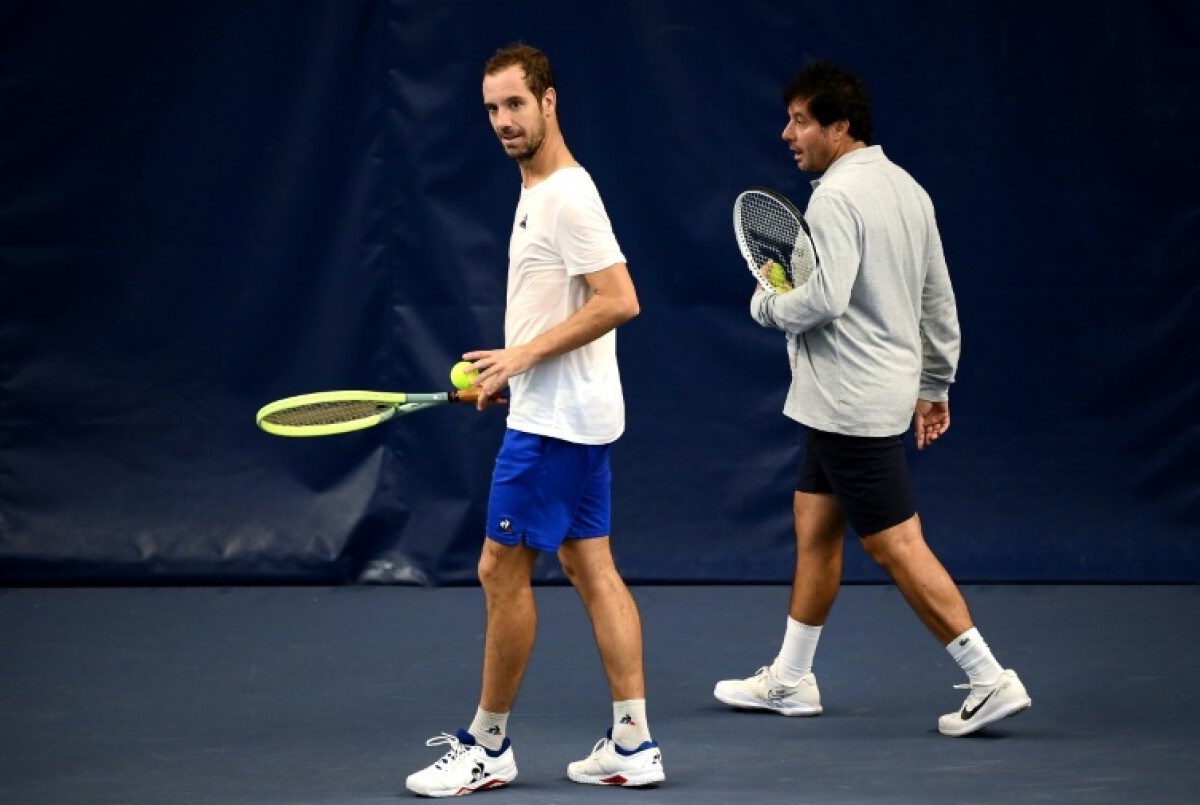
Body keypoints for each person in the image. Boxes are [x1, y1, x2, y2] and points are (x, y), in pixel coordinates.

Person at [714, 60, 1032, 737]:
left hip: (848, 404)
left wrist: (766, 303)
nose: (787, 133)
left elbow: (822, 300)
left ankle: (988, 676)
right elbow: (937, 301)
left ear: (840, 125)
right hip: (859, 396)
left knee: (897, 545)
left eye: (801, 121)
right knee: (815, 522)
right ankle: (793, 678)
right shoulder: (908, 189)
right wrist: (935, 385)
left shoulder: (835, 198)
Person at [404, 43, 664, 797]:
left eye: (516, 104)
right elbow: (562, 310)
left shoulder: (568, 196)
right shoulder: (539, 190)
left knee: (498, 567)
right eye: (491, 108)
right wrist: (512, 375)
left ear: (549, 103)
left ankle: (488, 743)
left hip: (555, 427)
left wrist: (520, 361)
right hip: (567, 412)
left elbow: (620, 299)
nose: (502, 121)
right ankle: (633, 741)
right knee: (590, 565)